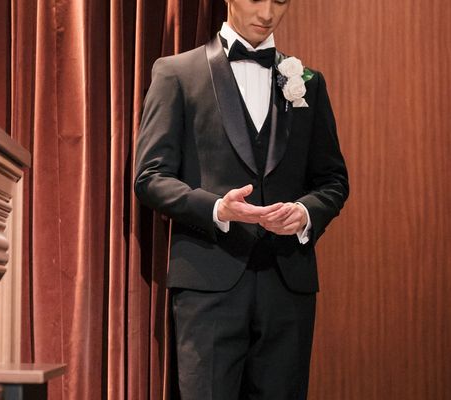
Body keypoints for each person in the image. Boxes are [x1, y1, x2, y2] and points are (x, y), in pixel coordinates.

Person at [134, 0, 349, 398]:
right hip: (208, 288)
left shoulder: (308, 82)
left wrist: (305, 213)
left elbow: (333, 180)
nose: (267, 13)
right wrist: (217, 208)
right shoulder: (176, 73)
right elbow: (150, 178)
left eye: (279, 1)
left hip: (288, 291)